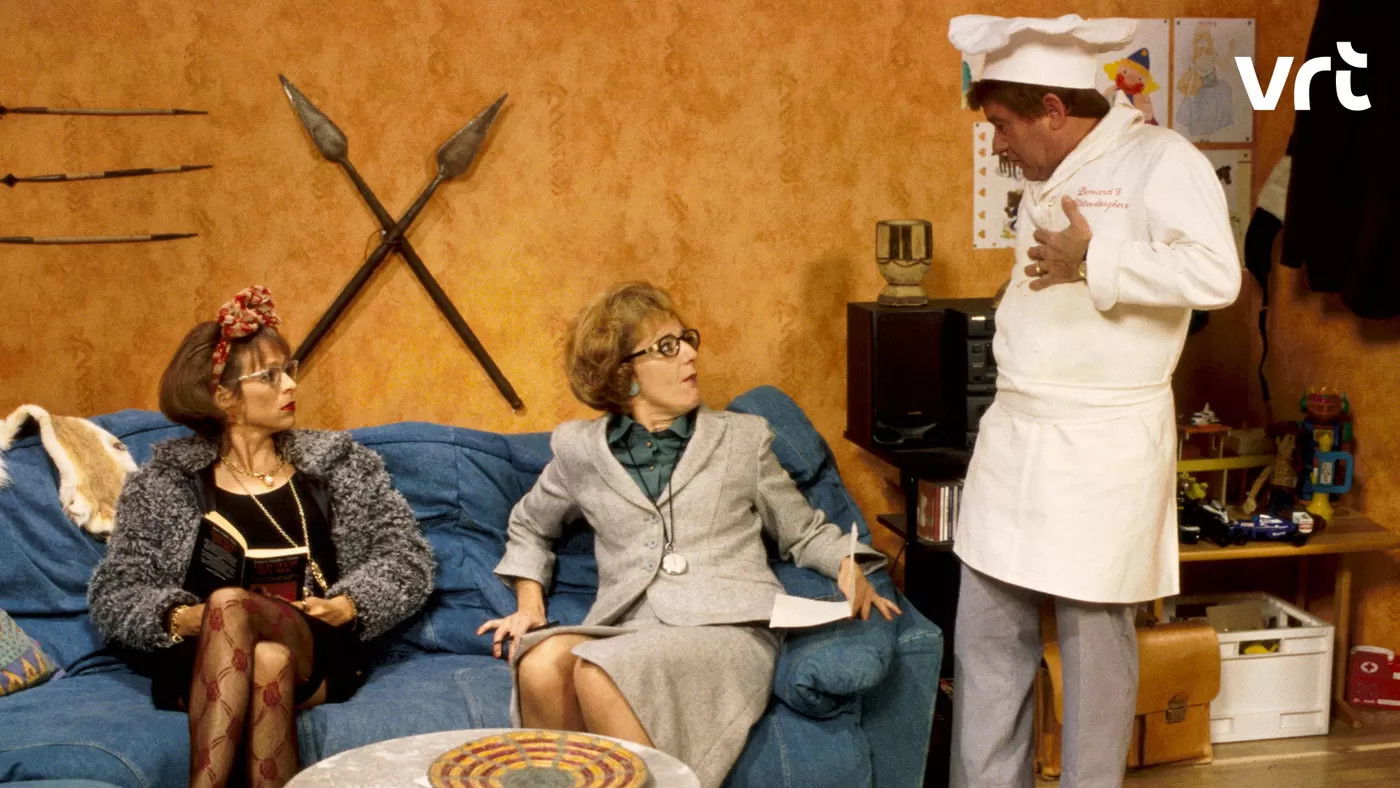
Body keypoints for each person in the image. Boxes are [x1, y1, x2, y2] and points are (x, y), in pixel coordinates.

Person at [946, 15, 1241, 788]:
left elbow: (1217, 275)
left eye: (1002, 124)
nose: (998, 144)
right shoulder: (1049, 172)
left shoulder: (1161, 159)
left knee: (1094, 658)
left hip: (1103, 444)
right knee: (985, 641)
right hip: (1017, 433)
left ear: (1052, 108)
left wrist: (1095, 256)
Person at [477, 282, 900, 787]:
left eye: (685, 339)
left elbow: (803, 531)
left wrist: (849, 565)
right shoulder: (579, 451)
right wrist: (529, 605)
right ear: (623, 373)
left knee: (599, 671)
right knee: (540, 663)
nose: (690, 354)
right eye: (666, 347)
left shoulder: (742, 438)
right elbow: (530, 525)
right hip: (628, 626)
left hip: (727, 628)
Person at [88, 285, 434, 788]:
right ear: (222, 396)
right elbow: (115, 590)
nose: (290, 385)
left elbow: (406, 557)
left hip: (315, 641)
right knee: (264, 656)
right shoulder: (164, 482)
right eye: (270, 376)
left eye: (288, 370)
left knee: (233, 605)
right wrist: (183, 617)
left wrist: (349, 605)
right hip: (201, 656)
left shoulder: (340, 465)